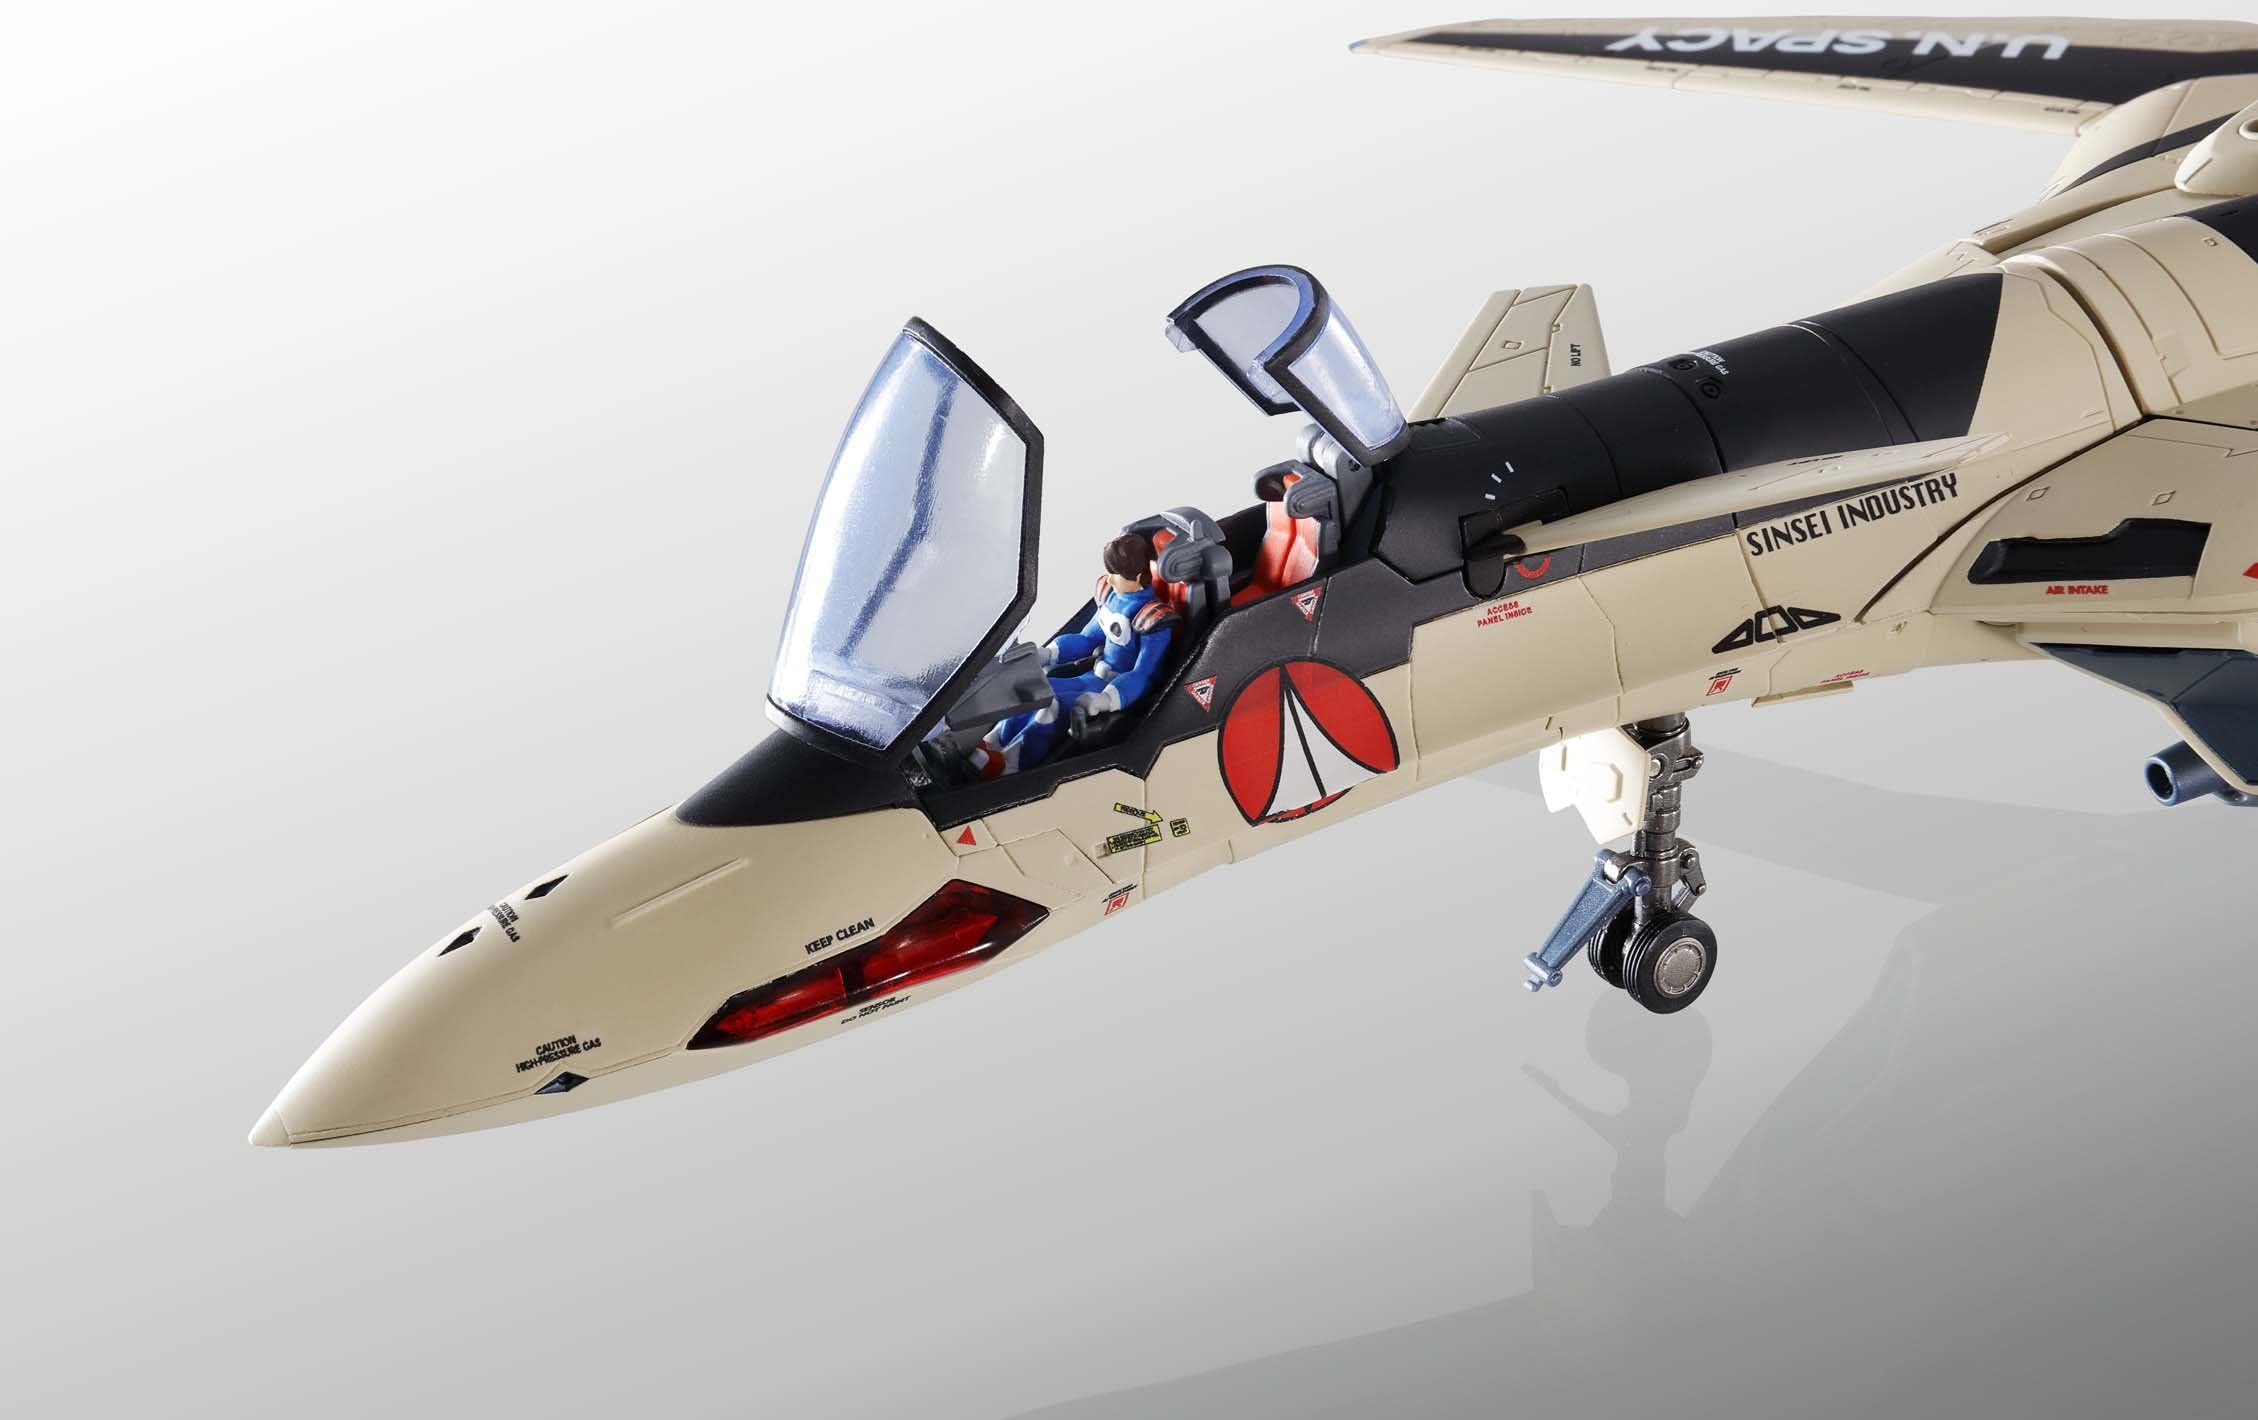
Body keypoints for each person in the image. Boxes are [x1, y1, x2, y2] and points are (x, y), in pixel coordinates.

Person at [973, 531, 1178, 776]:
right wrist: (1048, 653)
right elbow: (1086, 638)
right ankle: (990, 745)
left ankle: (1009, 764)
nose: (1110, 580)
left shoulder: (1152, 619)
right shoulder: (1113, 598)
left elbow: (1142, 674)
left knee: (1054, 708)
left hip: (1114, 689)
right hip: (1093, 676)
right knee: (1038, 690)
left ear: (1136, 575)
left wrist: (1105, 699)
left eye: (1115, 574)